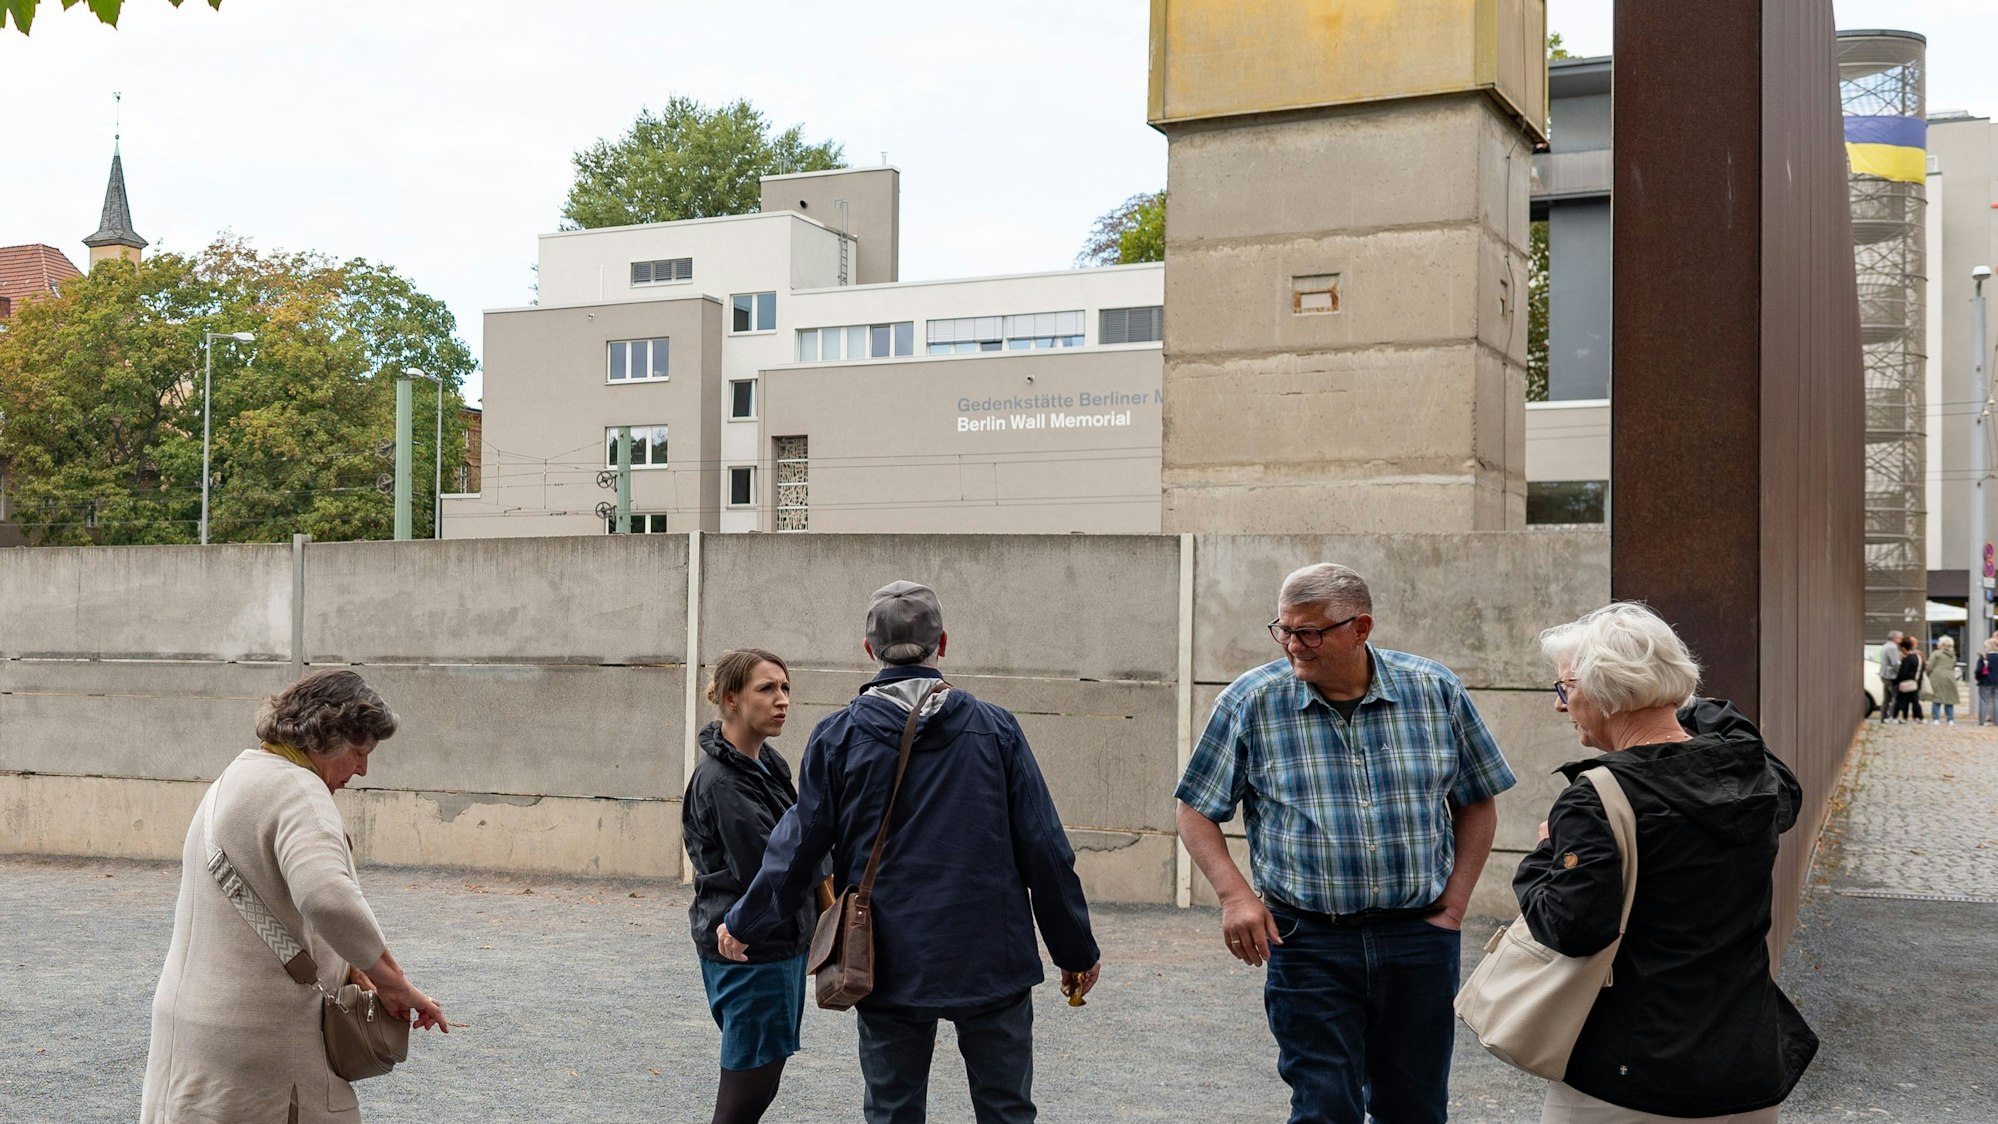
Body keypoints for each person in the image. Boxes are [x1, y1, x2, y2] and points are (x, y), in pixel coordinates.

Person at [716, 580, 1100, 1124]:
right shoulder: (996, 729)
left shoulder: (839, 736)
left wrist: (746, 920)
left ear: (869, 651)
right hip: (992, 952)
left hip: (887, 956)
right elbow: (1045, 849)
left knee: (893, 1110)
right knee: (1007, 1108)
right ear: (941, 644)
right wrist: (1075, 950)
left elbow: (799, 844)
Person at [1174, 562, 1516, 1124]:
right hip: (1307, 942)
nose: (1293, 645)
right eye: (1283, 629)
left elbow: (1478, 799)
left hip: (1418, 939)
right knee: (1324, 1105)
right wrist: (1235, 896)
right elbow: (1195, 810)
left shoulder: (1435, 690)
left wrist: (1454, 906)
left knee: (1416, 1107)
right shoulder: (1250, 702)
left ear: (1361, 628)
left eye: (1310, 631)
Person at [1519, 603, 1817, 1123]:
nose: (1560, 706)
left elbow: (1571, 929)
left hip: (1629, 1076)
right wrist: (1667, 697)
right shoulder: (1754, 777)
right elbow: (1738, 740)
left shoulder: (1596, 798)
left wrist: (1546, 853)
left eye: (1564, 689)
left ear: (1606, 692)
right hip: (1746, 1064)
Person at [141, 668, 447, 1124]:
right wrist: (391, 980)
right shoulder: (301, 791)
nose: (362, 769)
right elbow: (326, 897)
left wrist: (353, 969)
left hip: (193, 1030)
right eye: (360, 752)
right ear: (327, 737)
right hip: (267, 1039)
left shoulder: (236, 777)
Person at [682, 648, 821, 1124]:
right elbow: (772, 868)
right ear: (730, 699)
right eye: (767, 689)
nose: (781, 700)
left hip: (772, 946)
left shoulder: (765, 766)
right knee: (743, 1099)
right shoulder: (724, 782)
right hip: (749, 953)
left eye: (785, 688)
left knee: (758, 1088)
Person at [1928, 636, 1960, 725]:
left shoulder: (1936, 653)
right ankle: (1950, 719)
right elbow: (1953, 665)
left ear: (1942, 644)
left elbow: (1930, 666)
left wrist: (1927, 674)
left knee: (1937, 697)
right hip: (1950, 675)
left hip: (1937, 675)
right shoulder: (1953, 655)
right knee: (1949, 698)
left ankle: (1936, 719)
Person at [1892, 636, 1923, 722]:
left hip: (1905, 683)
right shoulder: (1918, 657)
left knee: (1902, 701)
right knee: (1915, 701)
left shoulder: (1907, 659)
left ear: (1903, 648)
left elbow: (1902, 673)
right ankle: (1918, 717)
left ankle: (1899, 717)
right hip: (1915, 683)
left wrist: (1896, 682)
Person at [1877, 631, 1904, 722]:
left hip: (1884, 674)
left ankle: (1883, 716)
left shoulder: (1885, 646)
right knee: (1896, 697)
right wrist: (1901, 672)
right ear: (1895, 638)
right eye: (1900, 638)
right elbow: (1895, 663)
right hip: (1891, 676)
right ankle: (1892, 716)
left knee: (1887, 698)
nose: (1901, 640)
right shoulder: (1893, 648)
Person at [1976, 637, 1998, 725]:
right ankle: (1996, 721)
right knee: (1996, 700)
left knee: (1983, 700)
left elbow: (1978, 670)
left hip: (1985, 681)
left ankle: (1981, 721)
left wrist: (1978, 678)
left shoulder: (1984, 657)